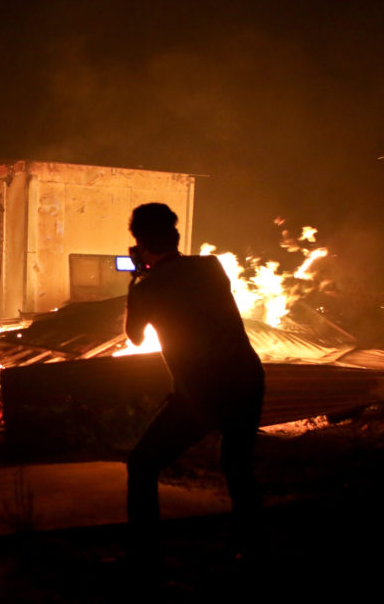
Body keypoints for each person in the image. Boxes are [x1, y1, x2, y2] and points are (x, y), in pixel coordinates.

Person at [124, 203, 265, 559]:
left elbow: (136, 337)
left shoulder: (147, 287)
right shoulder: (211, 267)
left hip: (200, 392)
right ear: (174, 235)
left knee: (142, 464)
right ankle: (248, 544)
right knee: (237, 464)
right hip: (246, 378)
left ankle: (145, 553)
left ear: (141, 244)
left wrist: (136, 280)